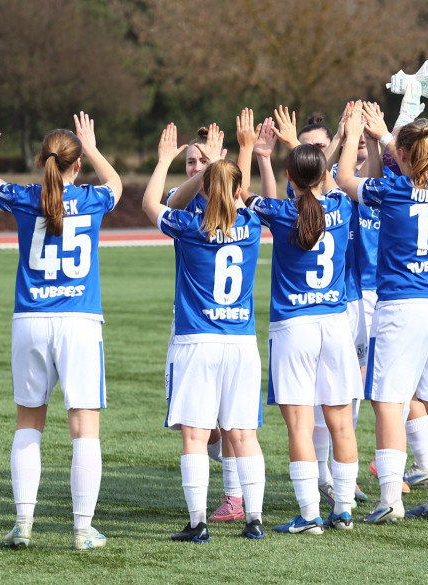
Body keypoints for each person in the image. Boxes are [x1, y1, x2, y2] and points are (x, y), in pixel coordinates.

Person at [0, 109, 122, 551]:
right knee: (85, 427)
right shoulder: (92, 198)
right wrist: (93, 146)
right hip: (79, 321)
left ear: (40, 160)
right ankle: (82, 530)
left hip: (30, 320)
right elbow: (116, 184)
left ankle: (23, 524)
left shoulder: (27, 197)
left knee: (29, 423)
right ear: (77, 164)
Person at [336, 101, 428, 523]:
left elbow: (344, 178)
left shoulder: (392, 191)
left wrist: (355, 133)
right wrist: (386, 138)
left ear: (404, 155)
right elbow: (420, 166)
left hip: (403, 308)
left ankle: (390, 500)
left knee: (389, 403)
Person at [144, 120, 266, 543]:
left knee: (195, 436)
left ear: (204, 185)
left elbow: (149, 204)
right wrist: (225, 163)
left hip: (196, 339)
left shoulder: (188, 226)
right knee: (244, 434)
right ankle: (254, 520)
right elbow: (239, 194)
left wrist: (165, 161)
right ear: (238, 190)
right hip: (241, 343)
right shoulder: (252, 223)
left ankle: (198, 523)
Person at [247, 143, 362, 533]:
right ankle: (343, 510)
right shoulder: (342, 205)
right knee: (341, 424)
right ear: (324, 175)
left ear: (289, 178)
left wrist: (252, 151)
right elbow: (333, 181)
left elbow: (242, 194)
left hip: (294, 327)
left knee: (299, 426)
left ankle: (310, 514)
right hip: (335, 324)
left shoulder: (280, 211)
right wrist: (347, 135)